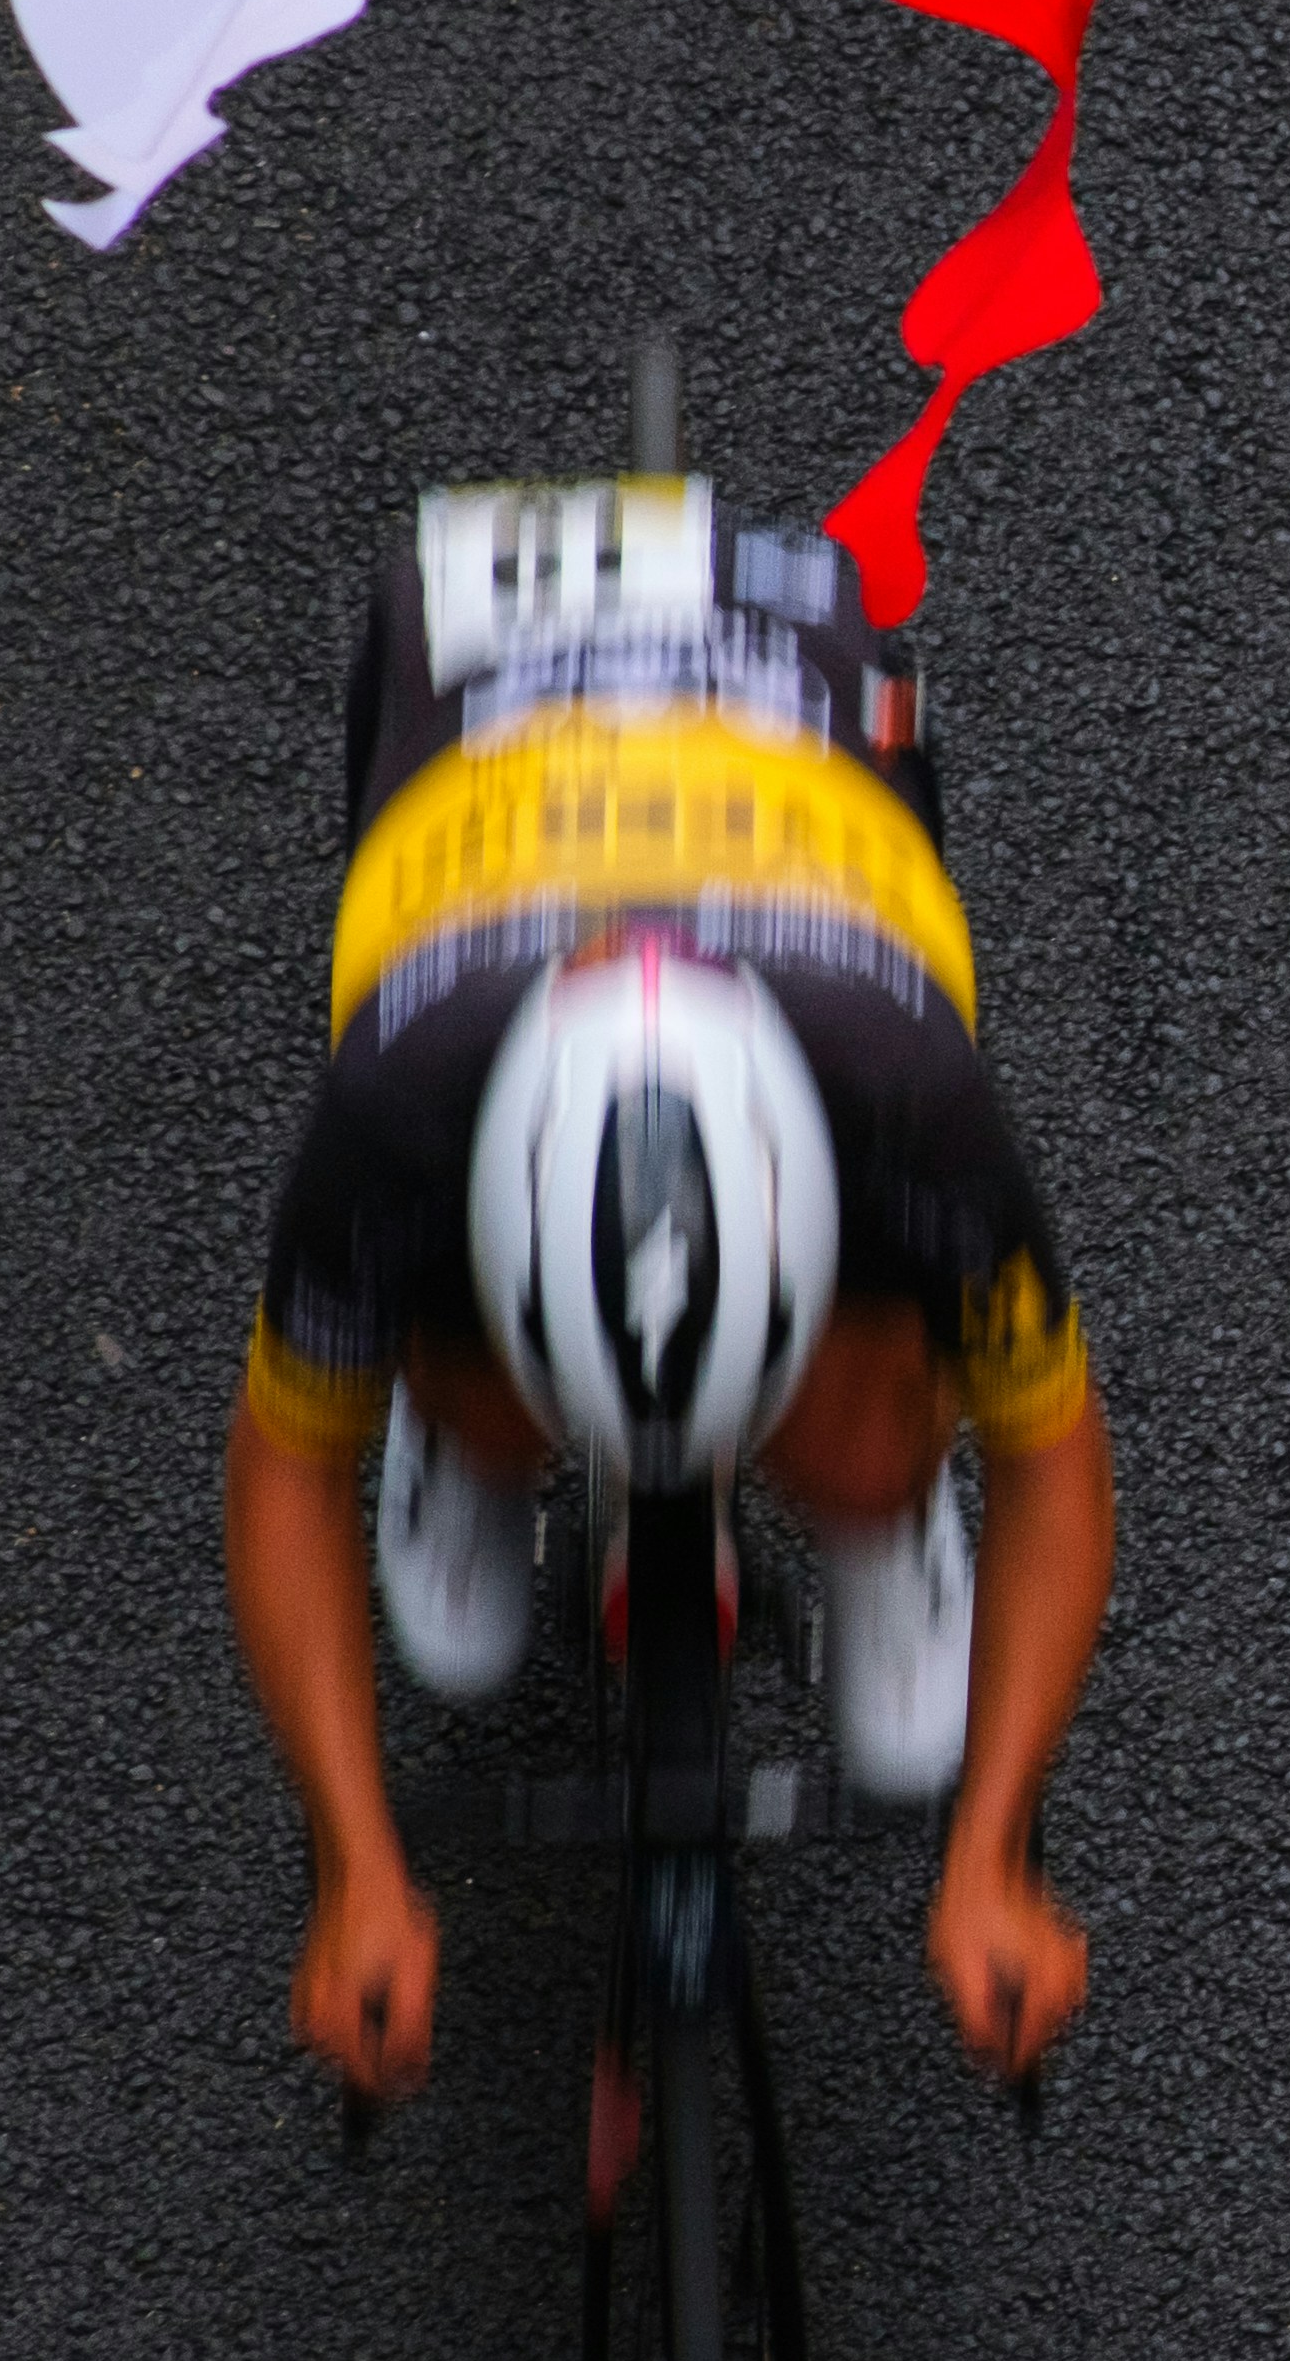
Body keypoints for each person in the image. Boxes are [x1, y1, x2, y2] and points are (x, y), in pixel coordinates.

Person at [223, 465, 1109, 2097]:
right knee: (442, 1373)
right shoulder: (402, 1101)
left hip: (806, 834)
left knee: (869, 1423)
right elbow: (288, 1462)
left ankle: (880, 1514)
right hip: (481, 845)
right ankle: (469, 1432)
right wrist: (351, 1863)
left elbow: (1051, 1452)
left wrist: (995, 1848)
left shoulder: (906, 1089)